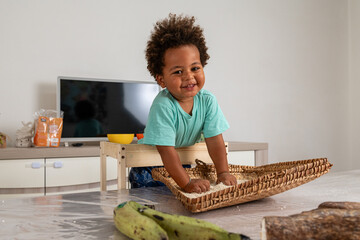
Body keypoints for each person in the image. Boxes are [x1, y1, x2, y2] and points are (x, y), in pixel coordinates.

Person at [129, 13, 237, 193]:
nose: (189, 76)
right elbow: (166, 151)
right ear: (161, 80)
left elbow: (215, 140)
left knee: (182, 208)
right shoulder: (163, 105)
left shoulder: (207, 101)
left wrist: (223, 171)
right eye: (178, 71)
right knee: (153, 208)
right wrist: (186, 183)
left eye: (195, 68)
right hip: (149, 168)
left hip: (181, 166)